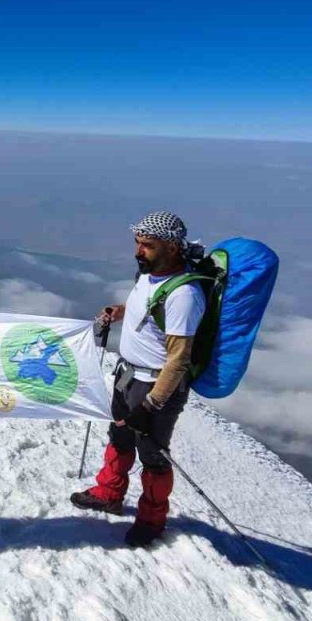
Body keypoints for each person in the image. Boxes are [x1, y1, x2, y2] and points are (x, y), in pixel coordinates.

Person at [71, 212, 206, 547]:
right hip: (127, 376)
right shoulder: (150, 276)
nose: (138, 251)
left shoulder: (184, 296)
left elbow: (178, 359)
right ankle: (109, 493)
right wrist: (119, 312)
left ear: (172, 247)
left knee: (153, 454)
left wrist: (152, 404)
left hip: (154, 386)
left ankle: (151, 519)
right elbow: (147, 312)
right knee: (119, 435)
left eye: (148, 245)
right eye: (138, 243)